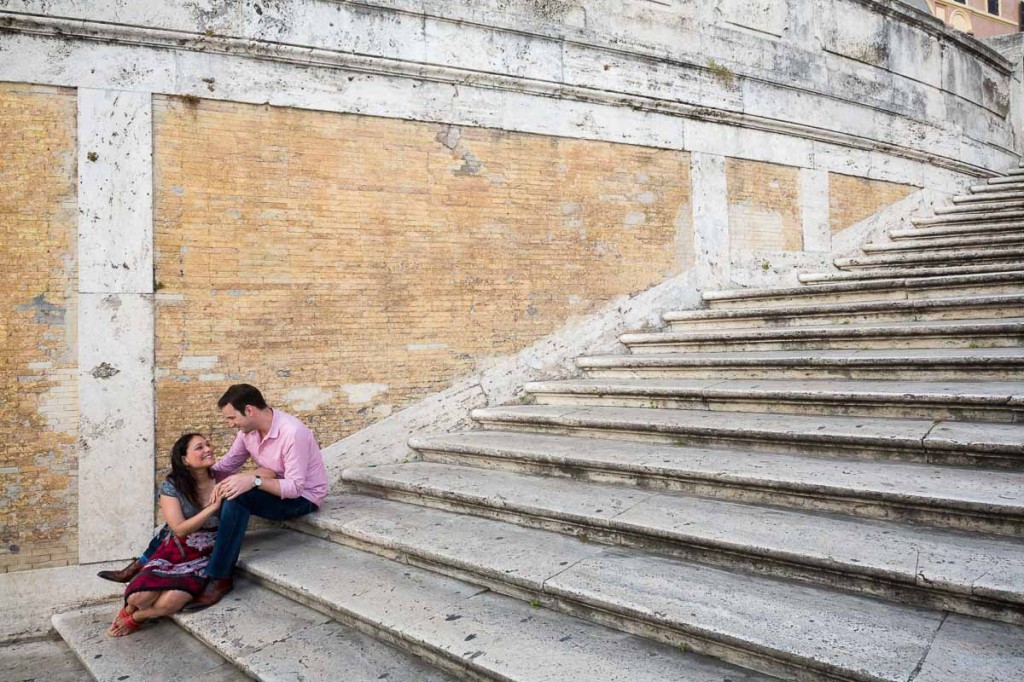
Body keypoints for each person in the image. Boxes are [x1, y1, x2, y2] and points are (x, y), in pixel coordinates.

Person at [98, 384, 329, 611]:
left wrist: (252, 480)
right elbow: (228, 465)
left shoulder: (292, 433)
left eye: (231, 418)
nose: (230, 425)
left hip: (302, 498)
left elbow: (296, 487)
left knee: (236, 496)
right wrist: (191, 480)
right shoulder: (247, 432)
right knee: (188, 493)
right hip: (268, 485)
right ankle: (142, 562)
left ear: (249, 410)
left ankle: (219, 577)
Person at [107, 433, 224, 636]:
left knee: (170, 601)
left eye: (208, 445)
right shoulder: (172, 486)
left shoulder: (223, 478)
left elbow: (262, 472)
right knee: (139, 598)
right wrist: (213, 507)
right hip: (177, 548)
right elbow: (179, 528)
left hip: (206, 552)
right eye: (199, 447)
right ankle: (129, 609)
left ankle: (135, 618)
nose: (208, 449)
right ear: (184, 459)